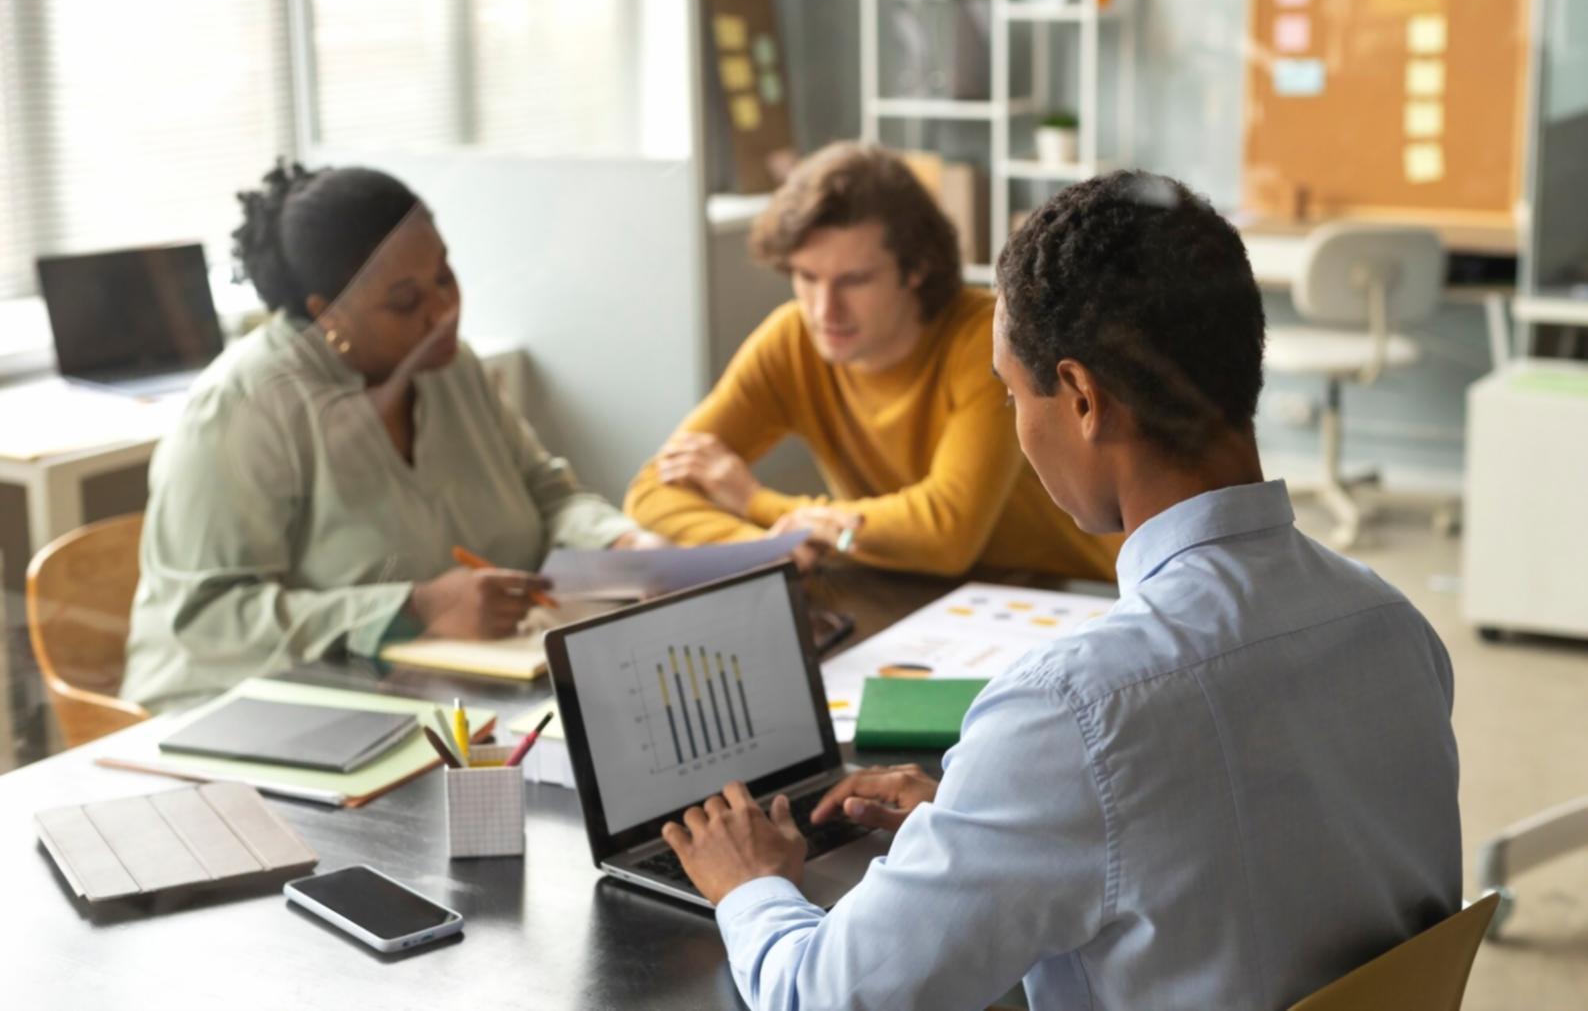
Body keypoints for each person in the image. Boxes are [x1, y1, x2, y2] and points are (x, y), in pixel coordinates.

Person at [658, 171, 1462, 1010]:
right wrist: (995, 828)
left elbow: (822, 999)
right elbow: (1272, 839)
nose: (1016, 420)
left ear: (1081, 398)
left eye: (1013, 393)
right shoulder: (1394, 625)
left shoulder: (1073, 712)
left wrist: (750, 885)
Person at [122, 161, 660, 712]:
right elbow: (206, 619)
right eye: (405, 303)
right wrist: (415, 607)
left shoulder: (453, 368)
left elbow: (547, 496)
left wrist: (623, 546)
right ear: (326, 314)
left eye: (445, 277)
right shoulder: (243, 409)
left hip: (451, 698)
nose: (444, 312)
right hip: (252, 711)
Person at [623, 141, 1120, 579]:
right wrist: (761, 549)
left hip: (1069, 593)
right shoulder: (791, 340)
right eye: (807, 277)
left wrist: (756, 502)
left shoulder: (985, 340)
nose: (824, 310)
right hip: (915, 596)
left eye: (854, 280)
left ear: (918, 269)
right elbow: (651, 491)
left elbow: (947, 533)